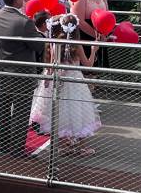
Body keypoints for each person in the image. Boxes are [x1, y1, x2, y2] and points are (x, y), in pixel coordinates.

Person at [29, 15, 101, 154]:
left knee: (60, 112)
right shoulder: (77, 45)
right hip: (75, 83)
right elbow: (88, 65)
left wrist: (47, 80)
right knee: (78, 112)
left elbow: (52, 65)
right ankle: (79, 147)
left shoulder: (56, 43)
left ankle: (64, 145)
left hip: (60, 82)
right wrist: (93, 50)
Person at [0, 0, 44, 157]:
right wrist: (40, 32)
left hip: (2, 72)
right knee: (21, 112)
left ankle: (3, 145)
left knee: (3, 109)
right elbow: (39, 46)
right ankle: (16, 150)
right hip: (22, 76)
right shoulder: (24, 22)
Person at [70, 0, 109, 65]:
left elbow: (107, 13)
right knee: (88, 68)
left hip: (101, 34)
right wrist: (96, 35)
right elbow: (80, 21)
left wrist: (104, 34)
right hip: (85, 35)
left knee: (99, 66)